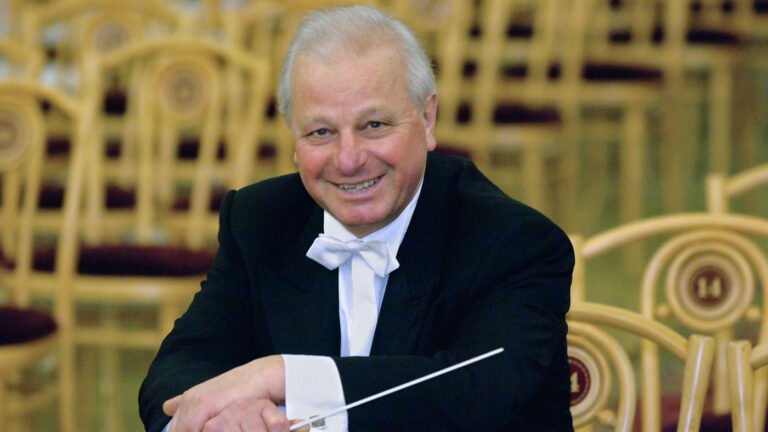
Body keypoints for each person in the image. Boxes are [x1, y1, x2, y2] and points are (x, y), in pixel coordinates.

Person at [139, 5, 574, 432]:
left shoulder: (513, 242)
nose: (348, 160)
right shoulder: (259, 221)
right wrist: (226, 418)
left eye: (374, 125)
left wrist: (280, 376)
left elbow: (475, 393)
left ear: (427, 118)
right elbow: (180, 368)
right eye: (321, 132)